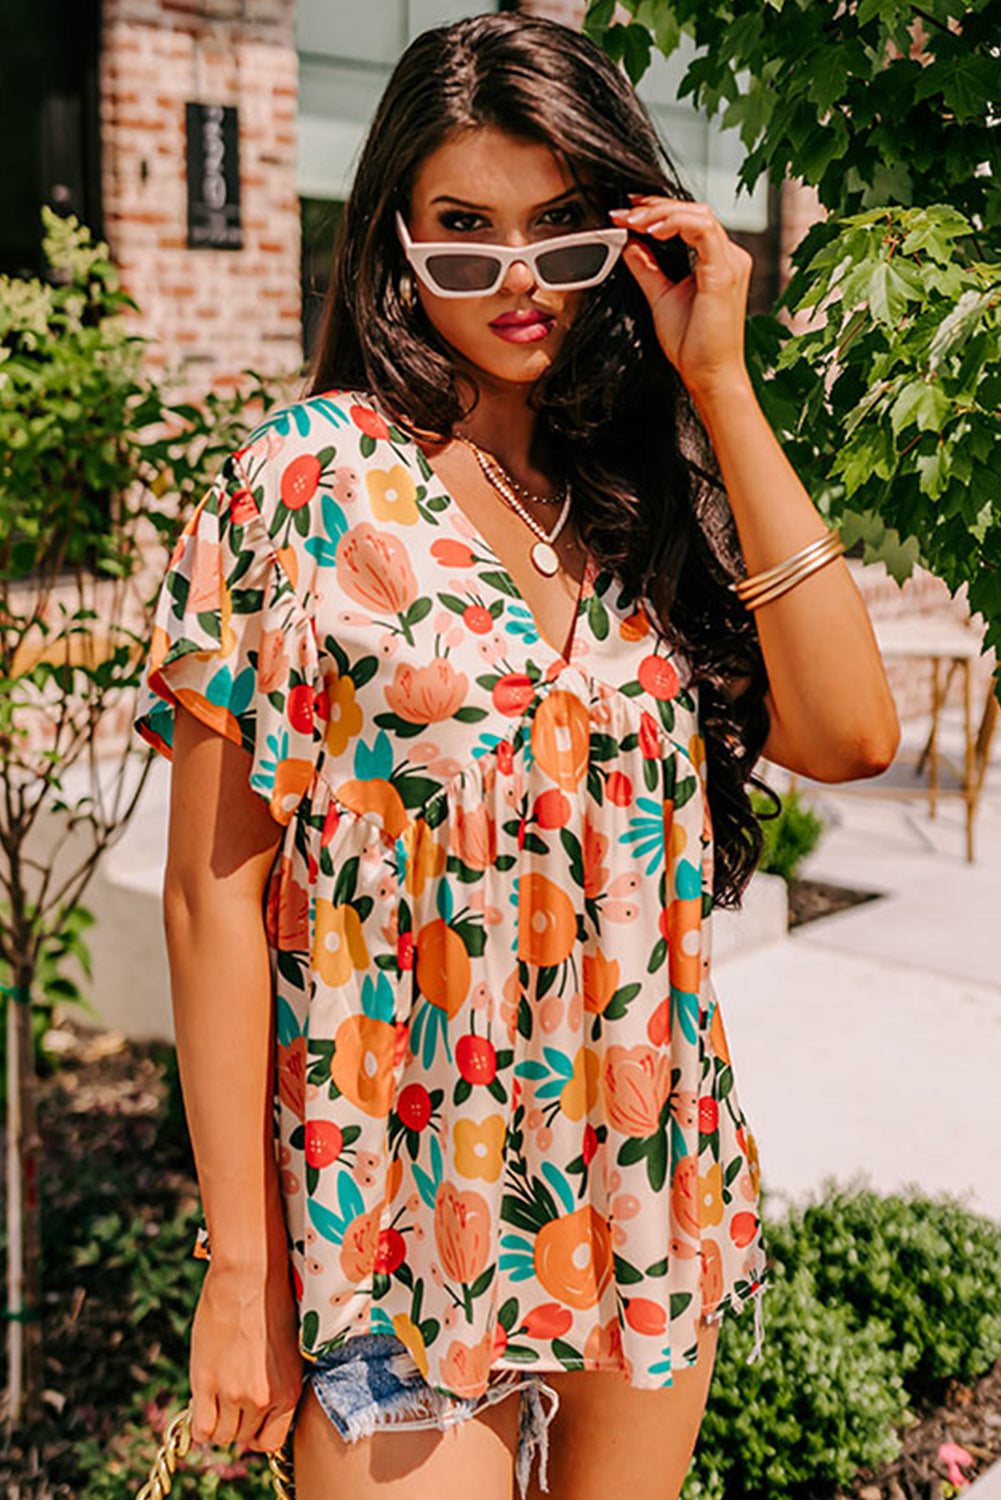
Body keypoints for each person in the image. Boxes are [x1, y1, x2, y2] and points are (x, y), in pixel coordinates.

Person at [133, 12, 900, 1500]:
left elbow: (851, 735)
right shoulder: (303, 481)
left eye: (559, 229)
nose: (518, 278)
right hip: (395, 1201)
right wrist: (243, 1268)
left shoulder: (636, 495)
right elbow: (208, 896)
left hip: (637, 1174)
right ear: (396, 242)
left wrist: (720, 384)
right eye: (464, 232)